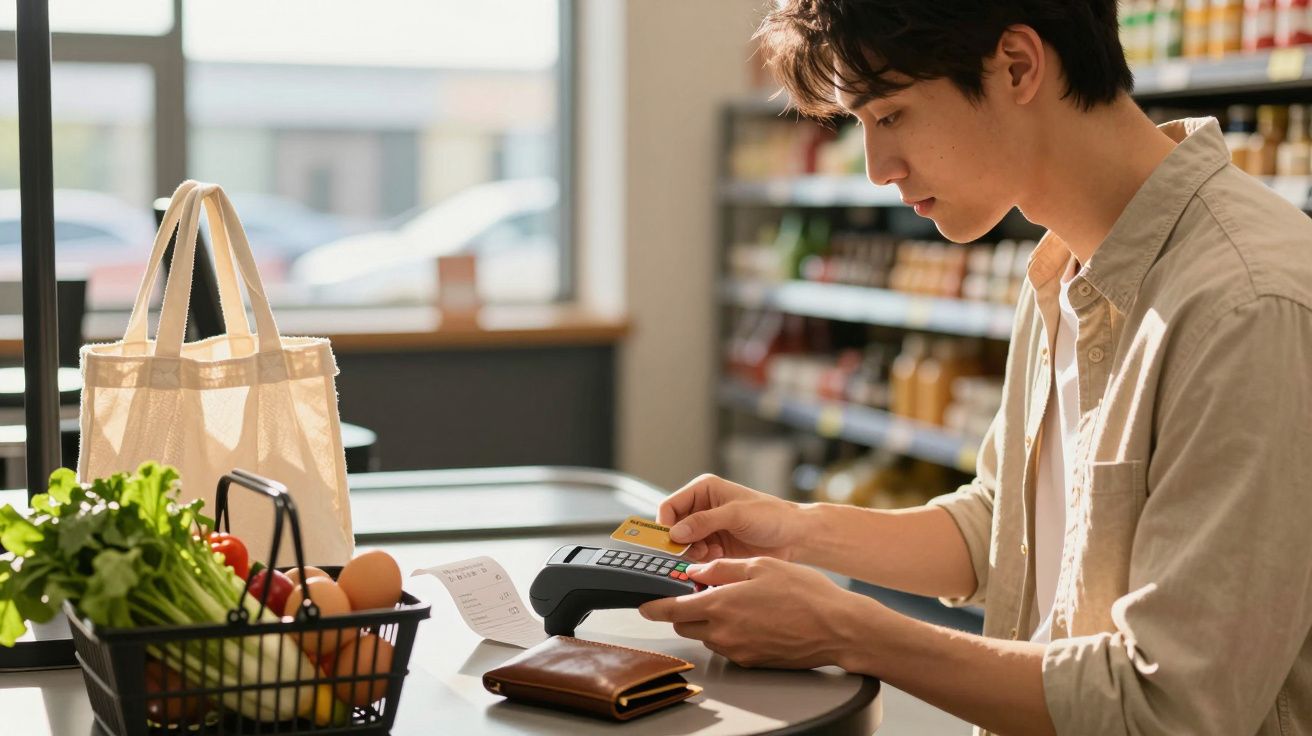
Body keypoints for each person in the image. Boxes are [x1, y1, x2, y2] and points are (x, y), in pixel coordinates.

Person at [637, 1, 1312, 734]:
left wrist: (851, 631)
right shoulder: (1062, 271)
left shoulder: (1245, 307)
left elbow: (1171, 704)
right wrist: (795, 530)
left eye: (890, 116)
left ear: (1017, 65)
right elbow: (1008, 527)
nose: (875, 170)